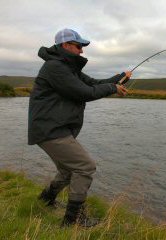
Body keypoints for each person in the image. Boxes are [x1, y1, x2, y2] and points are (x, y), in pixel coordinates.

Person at [28, 28, 132, 227]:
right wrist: (113, 88)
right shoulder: (55, 68)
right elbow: (83, 92)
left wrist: (120, 77)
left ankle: (46, 199)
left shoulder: (69, 68)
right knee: (85, 167)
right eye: (79, 46)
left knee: (68, 171)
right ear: (66, 46)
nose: (82, 51)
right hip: (50, 130)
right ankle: (72, 221)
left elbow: (94, 83)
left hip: (52, 128)